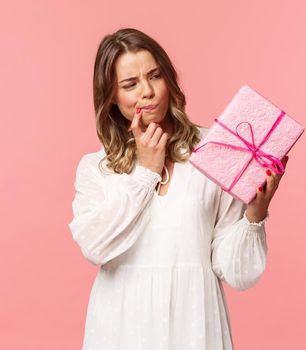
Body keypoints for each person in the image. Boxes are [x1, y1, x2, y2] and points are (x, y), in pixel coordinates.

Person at [68, 28, 289, 349]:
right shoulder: (96, 167)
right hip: (121, 326)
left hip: (195, 324)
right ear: (111, 97)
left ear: (168, 79)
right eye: (130, 84)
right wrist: (146, 171)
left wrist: (255, 214)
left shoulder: (216, 151)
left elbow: (236, 272)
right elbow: (95, 247)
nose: (147, 91)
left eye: (154, 76)